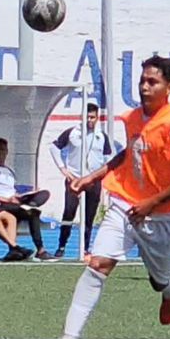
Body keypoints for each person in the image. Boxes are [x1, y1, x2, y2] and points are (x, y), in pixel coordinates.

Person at [46, 57, 170, 339]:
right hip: (124, 203)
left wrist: (152, 203)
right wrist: (92, 177)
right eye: (142, 80)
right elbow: (129, 152)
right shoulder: (134, 117)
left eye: (152, 82)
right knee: (98, 264)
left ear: (169, 87)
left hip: (162, 215)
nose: (144, 87)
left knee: (159, 281)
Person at [49, 102, 115, 258]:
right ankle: (61, 246)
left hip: (93, 180)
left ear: (97, 118)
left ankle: (85, 248)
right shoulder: (73, 132)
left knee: (89, 216)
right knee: (69, 212)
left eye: (92, 117)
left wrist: (101, 176)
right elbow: (54, 147)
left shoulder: (101, 136)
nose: (90, 120)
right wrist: (63, 169)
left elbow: (108, 157)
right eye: (87, 117)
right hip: (75, 179)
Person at [0, 137, 54, 260]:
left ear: (7, 152)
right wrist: (6, 200)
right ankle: (24, 248)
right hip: (0, 204)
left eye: (3, 150)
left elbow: (11, 190)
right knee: (31, 211)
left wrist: (21, 196)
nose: (1, 153)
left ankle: (40, 250)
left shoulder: (9, 170)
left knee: (42, 197)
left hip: (14, 202)